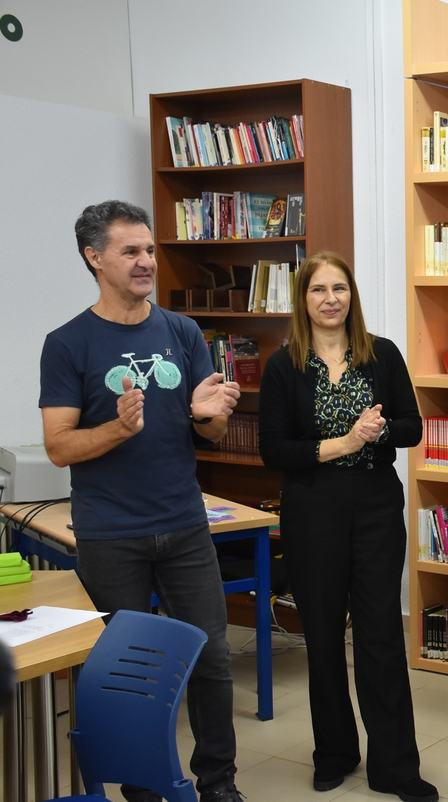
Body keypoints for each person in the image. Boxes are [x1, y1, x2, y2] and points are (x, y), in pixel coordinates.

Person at [39, 200, 243, 802]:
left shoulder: (181, 332)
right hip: (110, 534)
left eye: (149, 249)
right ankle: (144, 788)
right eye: (130, 251)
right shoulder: (67, 343)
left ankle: (219, 784)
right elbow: (58, 446)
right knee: (128, 674)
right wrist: (117, 430)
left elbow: (205, 430)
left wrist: (208, 418)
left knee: (211, 659)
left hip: (184, 524)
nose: (147, 261)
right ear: (94, 258)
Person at [258, 253, 436, 802]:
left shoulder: (380, 354)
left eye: (340, 288)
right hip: (312, 509)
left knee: (381, 634)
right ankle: (333, 753)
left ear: (351, 296)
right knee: (324, 635)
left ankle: (395, 769)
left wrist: (375, 433)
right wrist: (342, 443)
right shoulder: (283, 365)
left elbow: (412, 425)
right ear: (303, 300)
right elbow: (273, 450)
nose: (330, 298)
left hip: (377, 508)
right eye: (318, 290)